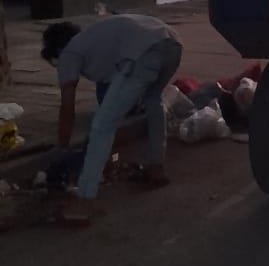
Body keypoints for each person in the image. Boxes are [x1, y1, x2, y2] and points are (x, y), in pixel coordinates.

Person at [41, 14, 183, 226]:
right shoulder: (95, 41)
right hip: (171, 43)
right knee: (154, 102)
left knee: (101, 126)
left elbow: (67, 107)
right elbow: (111, 95)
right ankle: (156, 169)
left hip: (144, 51)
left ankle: (84, 202)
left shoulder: (69, 51)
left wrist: (62, 147)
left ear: (57, 52)